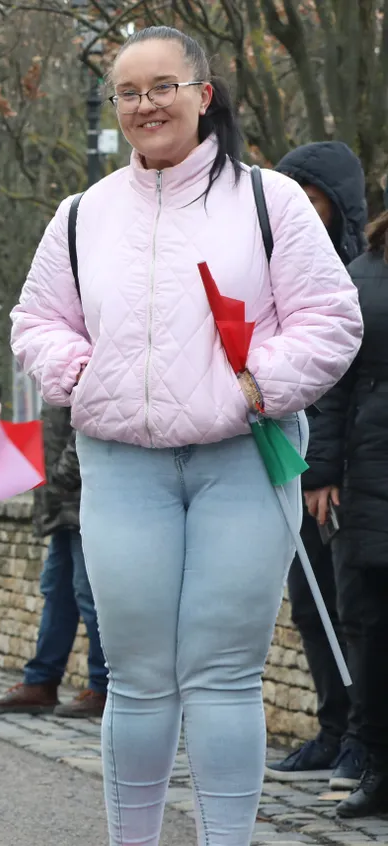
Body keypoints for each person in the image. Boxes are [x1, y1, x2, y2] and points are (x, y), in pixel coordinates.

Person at [10, 26, 362, 845]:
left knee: (224, 675)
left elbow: (330, 317)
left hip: (242, 460)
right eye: (128, 93)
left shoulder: (270, 202)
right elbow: (37, 321)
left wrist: (259, 385)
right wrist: (80, 375)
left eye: (162, 86)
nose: (145, 105)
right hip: (122, 463)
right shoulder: (80, 215)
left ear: (204, 96)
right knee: (135, 678)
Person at [266, 141, 369, 790]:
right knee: (309, 605)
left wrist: (324, 468)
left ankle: (362, 734)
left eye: (312, 200)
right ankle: (333, 728)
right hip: (293, 463)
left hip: (338, 474)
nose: (301, 213)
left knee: (350, 608)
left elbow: (342, 385)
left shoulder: (357, 273)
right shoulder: (277, 268)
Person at [303, 195, 388, 818]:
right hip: (368, 479)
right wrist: (323, 471)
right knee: (368, 623)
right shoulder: (364, 274)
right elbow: (333, 378)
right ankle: (374, 759)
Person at [0, 405, 107, 718]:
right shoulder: (57, 360)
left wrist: (63, 474)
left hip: (82, 496)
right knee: (57, 591)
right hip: (62, 501)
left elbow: (90, 416)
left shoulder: (82, 357)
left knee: (89, 595)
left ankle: (104, 685)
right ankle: (41, 682)